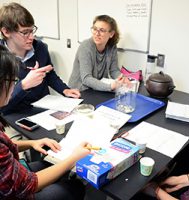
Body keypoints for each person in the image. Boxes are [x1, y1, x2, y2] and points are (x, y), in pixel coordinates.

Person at [0, 44, 91, 199]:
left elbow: (5, 148)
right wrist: (74, 158)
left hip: (13, 173)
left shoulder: (40, 48)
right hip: (16, 191)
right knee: (74, 187)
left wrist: (31, 143)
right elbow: (29, 184)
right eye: (13, 80)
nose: (14, 84)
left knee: (51, 164)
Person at [0, 2, 80, 114]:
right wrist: (24, 85)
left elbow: (49, 74)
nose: (31, 37)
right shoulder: (3, 59)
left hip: (44, 108)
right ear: (6, 32)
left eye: (32, 30)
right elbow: (2, 106)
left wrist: (64, 89)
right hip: (15, 114)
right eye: (25, 32)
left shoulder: (40, 47)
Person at [68, 15, 129, 92]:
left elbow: (114, 70)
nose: (97, 33)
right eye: (95, 29)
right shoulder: (85, 46)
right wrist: (110, 86)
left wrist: (122, 78)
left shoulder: (112, 46)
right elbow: (86, 78)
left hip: (96, 89)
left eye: (102, 30)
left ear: (111, 34)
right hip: (80, 91)